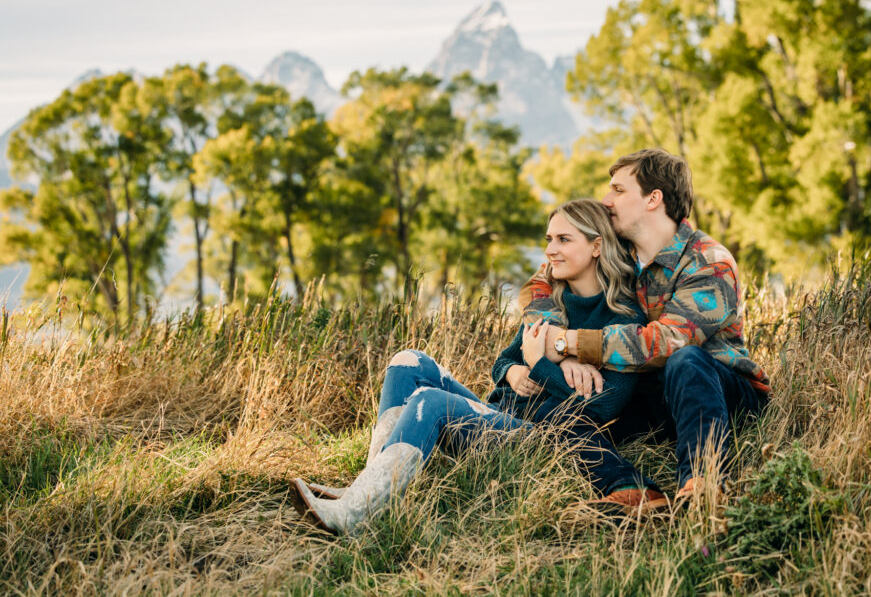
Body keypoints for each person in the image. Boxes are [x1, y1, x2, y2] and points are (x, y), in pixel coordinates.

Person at [289, 198, 646, 535]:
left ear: (597, 246)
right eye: (549, 238)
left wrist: (539, 363)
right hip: (495, 416)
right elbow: (504, 360)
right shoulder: (549, 302)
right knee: (407, 361)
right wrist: (514, 372)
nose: (550, 249)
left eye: (564, 239)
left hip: (535, 439)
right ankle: (367, 485)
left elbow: (603, 406)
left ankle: (358, 514)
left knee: (431, 401)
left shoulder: (624, 317)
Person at [520, 148, 771, 515]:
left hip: (717, 392)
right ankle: (632, 491)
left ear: (654, 199)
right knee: (557, 407)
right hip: (648, 393)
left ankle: (702, 485)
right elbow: (542, 280)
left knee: (685, 361)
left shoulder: (709, 261)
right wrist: (553, 343)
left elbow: (665, 343)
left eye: (618, 191)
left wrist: (569, 343)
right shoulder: (614, 250)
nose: (606, 201)